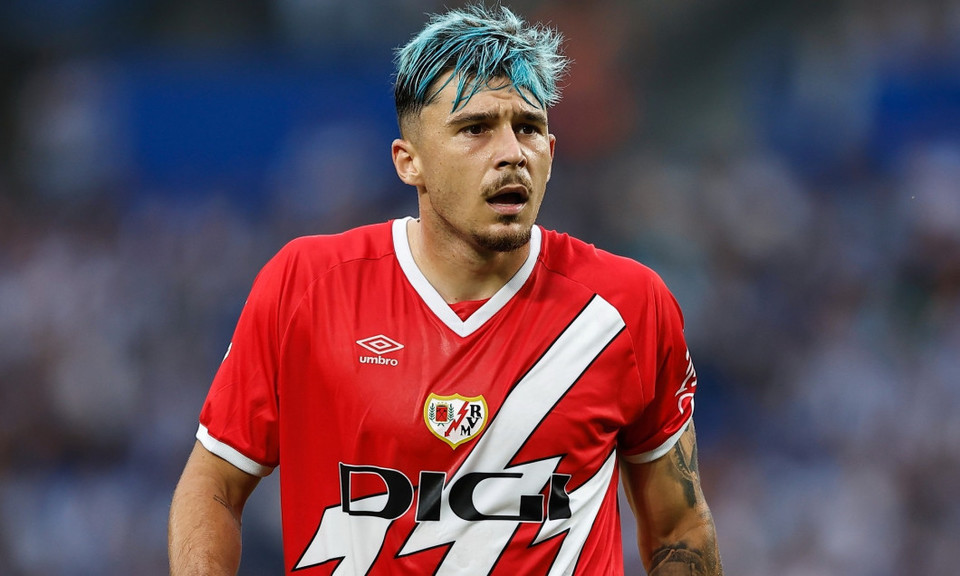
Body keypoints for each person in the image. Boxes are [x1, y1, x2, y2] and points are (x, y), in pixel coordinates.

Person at [168, 5, 723, 575]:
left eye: (528, 128)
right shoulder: (307, 286)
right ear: (410, 162)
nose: (512, 153)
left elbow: (678, 528)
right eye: (475, 129)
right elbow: (214, 485)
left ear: (551, 154)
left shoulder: (627, 306)